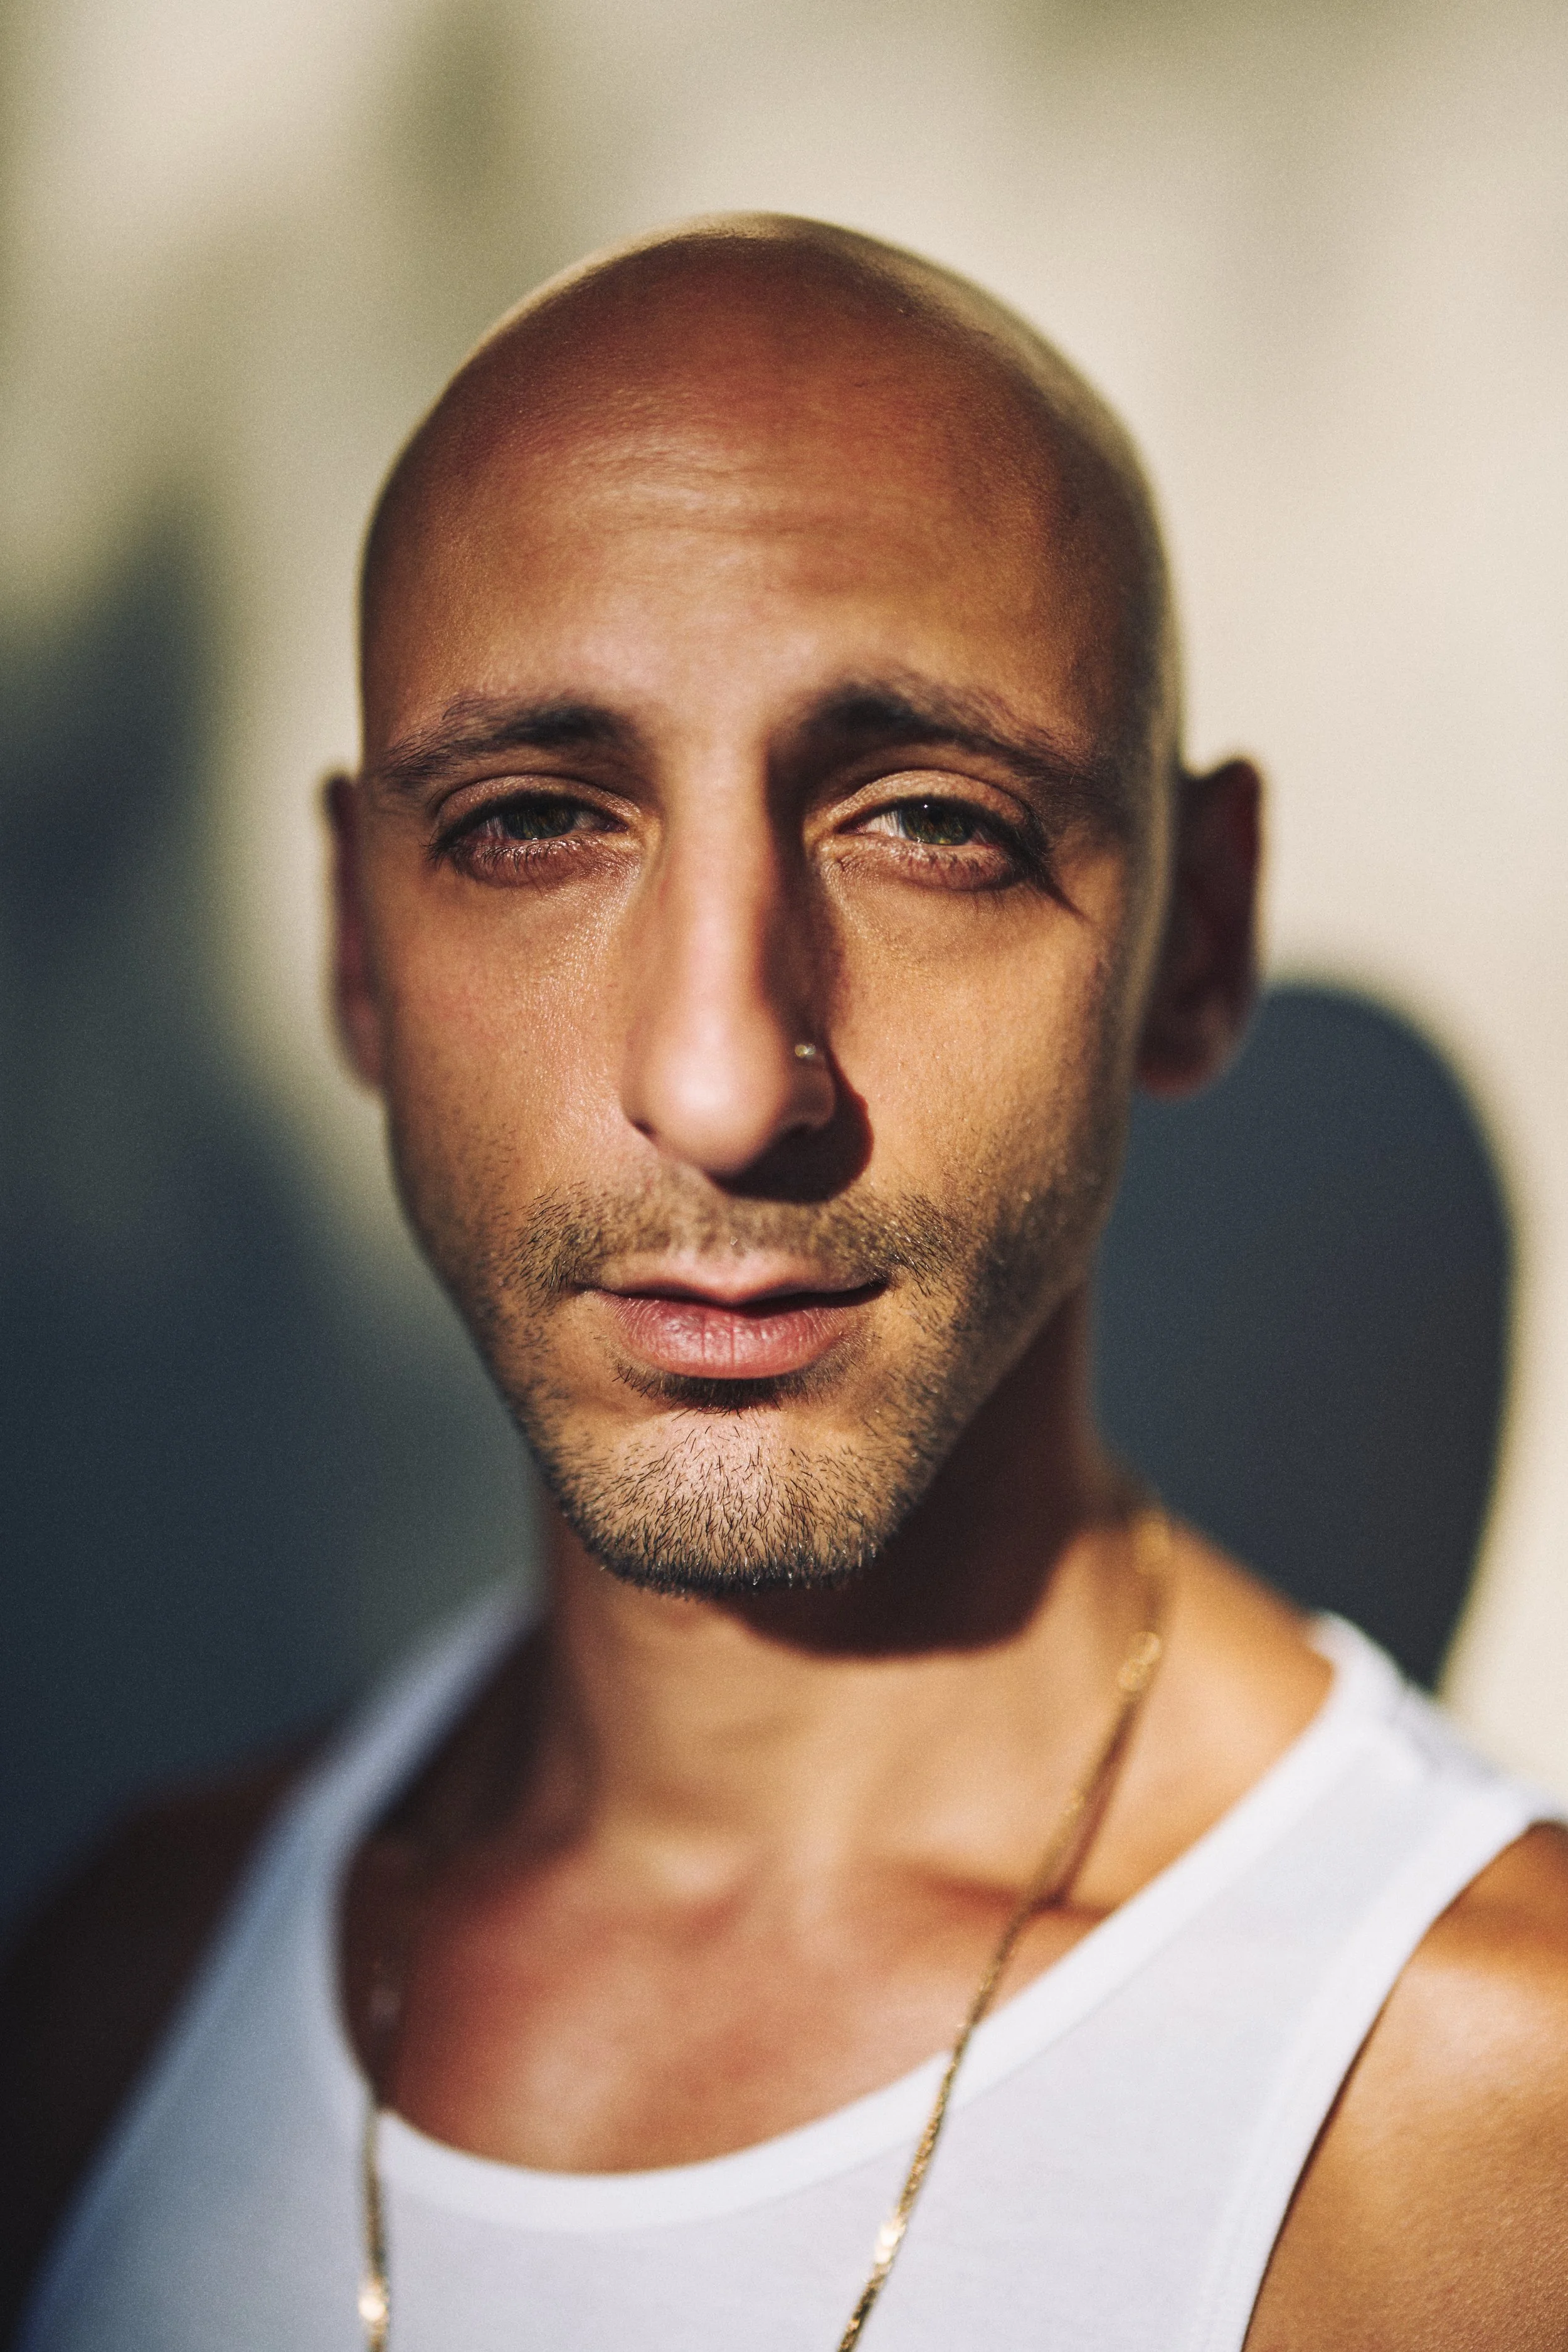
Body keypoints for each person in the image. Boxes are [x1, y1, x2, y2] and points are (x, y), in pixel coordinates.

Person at [4, 214, 1567, 2352]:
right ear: (360, 952)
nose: (726, 1082)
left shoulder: (1489, 2120)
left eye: (927, 821)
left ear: (1190, 943)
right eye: (535, 820)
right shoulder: (125, 1985)